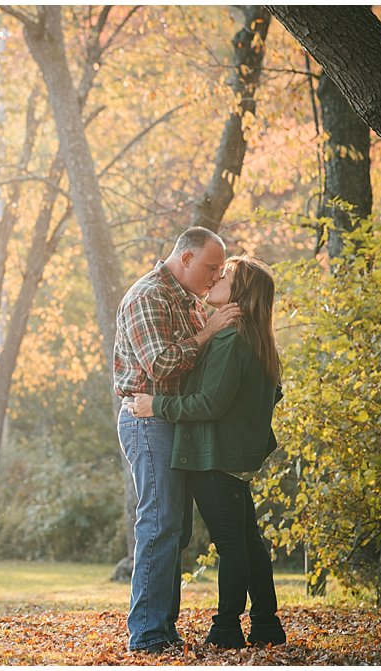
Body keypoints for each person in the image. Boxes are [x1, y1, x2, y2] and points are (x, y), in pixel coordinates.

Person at [130, 255, 286, 649]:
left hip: (214, 459)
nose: (217, 277)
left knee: (233, 545)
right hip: (229, 458)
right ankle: (266, 624)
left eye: (226, 275)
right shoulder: (249, 335)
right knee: (248, 541)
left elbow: (209, 404)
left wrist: (157, 406)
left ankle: (227, 629)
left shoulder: (232, 339)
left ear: (240, 292)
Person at [113, 227, 242, 653]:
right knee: (160, 522)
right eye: (210, 267)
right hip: (149, 422)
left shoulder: (186, 299)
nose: (214, 275)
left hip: (174, 420)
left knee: (177, 528)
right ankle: (147, 634)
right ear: (185, 258)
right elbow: (162, 364)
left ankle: (163, 629)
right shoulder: (149, 296)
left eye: (220, 269)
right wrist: (209, 332)